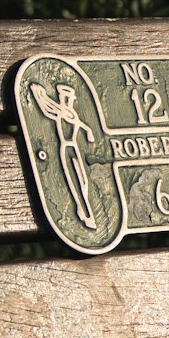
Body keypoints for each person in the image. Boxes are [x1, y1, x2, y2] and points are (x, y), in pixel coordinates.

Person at [30, 81, 98, 231]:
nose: (70, 101)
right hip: (65, 147)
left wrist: (88, 132)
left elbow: (81, 125)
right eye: (68, 98)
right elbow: (45, 106)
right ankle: (84, 212)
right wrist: (38, 93)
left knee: (83, 182)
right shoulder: (60, 111)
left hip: (74, 148)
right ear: (63, 98)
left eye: (70, 98)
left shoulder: (70, 113)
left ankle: (85, 210)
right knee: (73, 180)